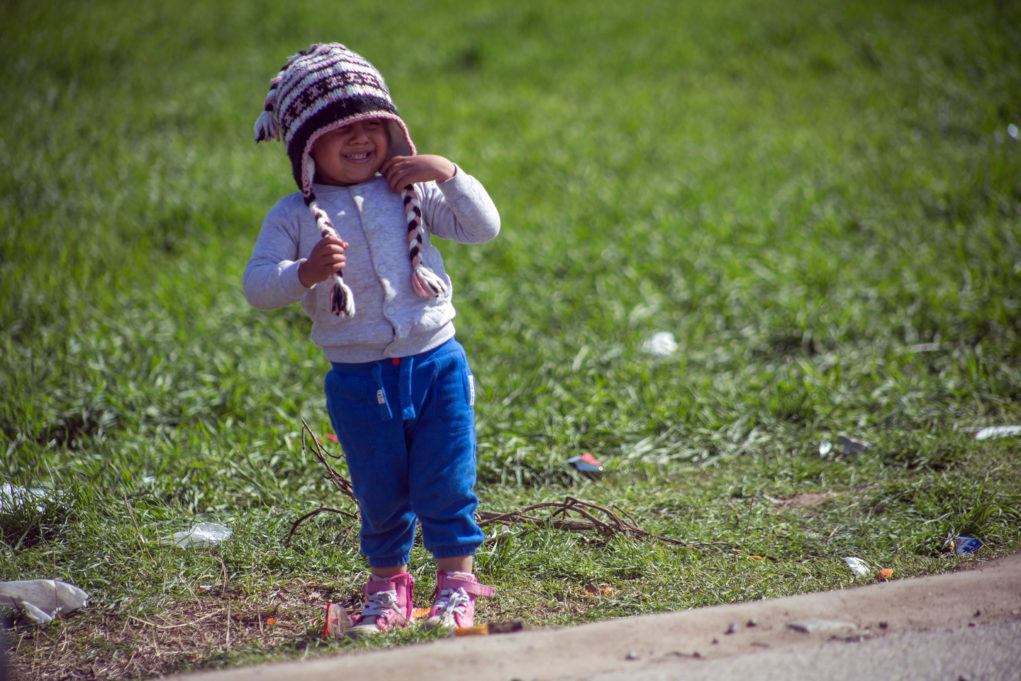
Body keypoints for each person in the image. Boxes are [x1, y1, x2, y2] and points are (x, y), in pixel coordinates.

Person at [243, 43, 500, 636]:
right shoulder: (293, 215)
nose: (361, 137)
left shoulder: (406, 187)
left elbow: (483, 228)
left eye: (372, 124)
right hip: (359, 379)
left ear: (392, 128)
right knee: (380, 489)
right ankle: (388, 589)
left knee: (446, 476)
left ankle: (456, 587)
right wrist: (304, 273)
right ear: (307, 143)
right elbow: (258, 286)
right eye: (341, 128)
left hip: (436, 361)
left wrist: (450, 175)